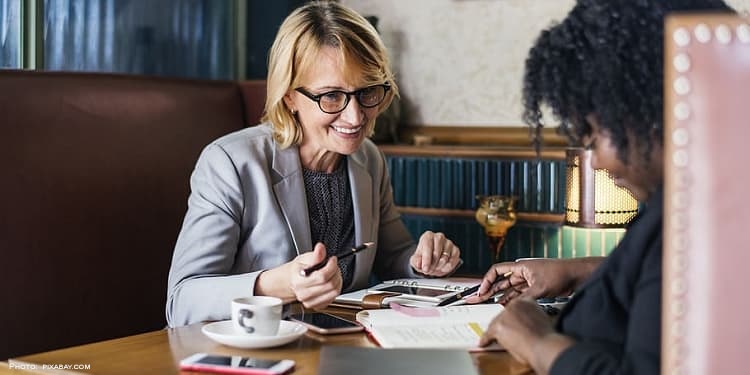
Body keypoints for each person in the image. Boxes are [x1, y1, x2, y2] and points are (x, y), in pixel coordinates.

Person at [464, 0, 734, 374]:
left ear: (652, 110)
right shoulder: (685, 205)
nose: (599, 162)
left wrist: (539, 342)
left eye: (593, 136)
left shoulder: (702, 221)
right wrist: (577, 271)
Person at [166, 1, 462, 327]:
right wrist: (279, 286)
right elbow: (182, 302)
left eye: (367, 92)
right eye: (331, 96)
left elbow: (394, 256)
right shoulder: (230, 163)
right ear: (290, 96)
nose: (355, 117)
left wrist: (425, 261)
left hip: (342, 351)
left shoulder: (368, 158)